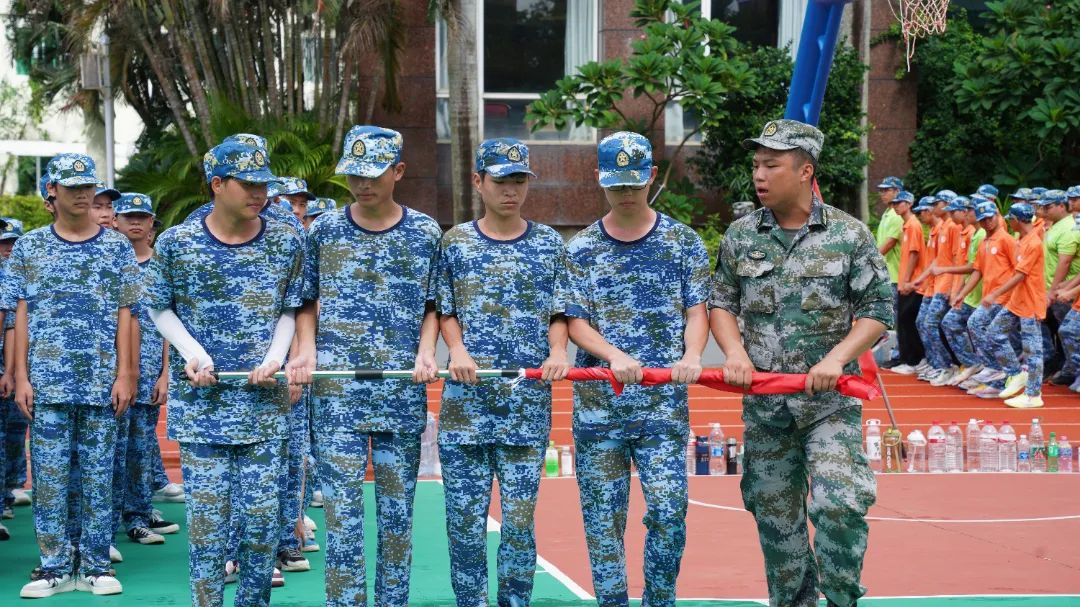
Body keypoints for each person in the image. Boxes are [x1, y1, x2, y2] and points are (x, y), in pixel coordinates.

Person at [710, 119, 892, 607]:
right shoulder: (741, 235)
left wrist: (837, 358)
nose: (759, 175)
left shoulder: (848, 235)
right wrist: (734, 352)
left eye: (771, 165)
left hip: (829, 406)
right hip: (767, 410)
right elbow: (721, 302)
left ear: (805, 170)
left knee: (839, 505)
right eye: (756, 165)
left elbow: (877, 309)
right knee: (775, 518)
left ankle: (841, 598)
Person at [146, 141, 304, 607]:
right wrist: (193, 353)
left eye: (263, 185)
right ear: (217, 184)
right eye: (247, 184)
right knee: (207, 527)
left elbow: (290, 307)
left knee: (261, 523)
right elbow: (159, 307)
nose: (259, 194)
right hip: (202, 407)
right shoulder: (177, 242)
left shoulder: (285, 240)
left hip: (263, 405)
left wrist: (276, 357)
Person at [293, 125, 441, 607]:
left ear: (398, 171)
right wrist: (306, 349)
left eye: (374, 174)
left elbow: (434, 305)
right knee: (343, 520)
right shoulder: (325, 230)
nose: (362, 184)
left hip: (401, 391)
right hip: (337, 395)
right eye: (354, 174)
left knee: (398, 520)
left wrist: (426, 351)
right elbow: (306, 299)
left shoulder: (424, 232)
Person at [561, 131, 710, 607]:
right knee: (603, 522)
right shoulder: (581, 248)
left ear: (651, 176)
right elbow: (575, 322)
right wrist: (613, 355)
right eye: (616, 184)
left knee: (669, 510)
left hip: (662, 409)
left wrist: (692, 355)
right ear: (600, 179)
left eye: (634, 182)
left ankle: (659, 601)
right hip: (599, 410)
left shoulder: (682, 242)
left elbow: (696, 311)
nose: (626, 192)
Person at [436, 138, 570, 607]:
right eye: (500, 181)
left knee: (517, 523)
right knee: (464, 525)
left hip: (525, 407)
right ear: (478, 182)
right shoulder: (455, 243)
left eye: (519, 181)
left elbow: (560, 312)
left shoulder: (549, 243)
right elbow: (445, 309)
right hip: (465, 409)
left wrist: (558, 350)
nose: (511, 191)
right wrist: (457, 349)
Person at [5, 153, 140, 598]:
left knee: (100, 476)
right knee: (49, 479)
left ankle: (97, 564)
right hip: (46, 382)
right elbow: (19, 315)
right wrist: (21, 376)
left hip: (102, 381)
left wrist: (126, 374)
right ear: (52, 191)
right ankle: (54, 566)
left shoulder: (116, 246)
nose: (83, 194)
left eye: (88, 186)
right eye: (73, 187)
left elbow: (128, 313)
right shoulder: (30, 247)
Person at [110, 193, 178, 545]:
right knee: (110, 452)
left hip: (150, 371)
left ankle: (138, 515)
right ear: (115, 222)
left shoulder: (161, 266)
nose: (135, 223)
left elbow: (170, 324)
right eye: (128, 217)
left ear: (152, 223)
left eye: (142, 217)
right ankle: (106, 523)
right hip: (112, 373)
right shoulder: (108, 261)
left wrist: (165, 373)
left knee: (140, 449)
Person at [955, 200, 1019, 399]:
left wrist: (1007, 294)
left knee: (977, 324)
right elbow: (978, 271)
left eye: (990, 218)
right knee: (983, 330)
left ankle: (999, 369)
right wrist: (962, 293)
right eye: (983, 220)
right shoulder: (985, 242)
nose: (987, 222)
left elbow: (1019, 270)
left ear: (997, 216)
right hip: (989, 297)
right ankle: (997, 378)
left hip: (1004, 297)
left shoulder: (1007, 240)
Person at [986, 202, 1046, 408]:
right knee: (994, 333)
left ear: (1018, 220)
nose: (1009, 222)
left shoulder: (1034, 243)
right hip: (1016, 300)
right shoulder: (1021, 239)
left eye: (1010, 219)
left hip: (1030, 302)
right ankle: (1016, 372)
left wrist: (996, 293)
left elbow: (1020, 274)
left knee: (1033, 350)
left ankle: (1033, 394)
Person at [940, 195, 987, 387]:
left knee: (981, 332)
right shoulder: (975, 234)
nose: (967, 213)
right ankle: (972, 364)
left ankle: (988, 374)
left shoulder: (981, 235)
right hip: (971, 294)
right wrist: (960, 292)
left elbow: (975, 269)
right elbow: (972, 268)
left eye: (970, 210)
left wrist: (945, 272)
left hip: (983, 295)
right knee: (950, 322)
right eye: (966, 210)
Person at [1036, 190, 1078, 386]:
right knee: (1060, 330)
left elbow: (1065, 262)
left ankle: (1071, 370)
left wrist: (1055, 290)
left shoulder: (1069, 227)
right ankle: (1064, 367)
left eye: (1048, 207)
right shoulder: (1055, 226)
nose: (1044, 211)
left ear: (1062, 206)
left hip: (1065, 289)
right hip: (1055, 287)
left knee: (1068, 331)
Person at [891, 192, 927, 375]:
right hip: (906, 281)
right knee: (904, 320)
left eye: (899, 203)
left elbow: (914, 253)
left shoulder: (913, 225)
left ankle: (914, 360)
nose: (895, 206)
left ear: (909, 204)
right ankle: (908, 359)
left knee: (908, 320)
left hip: (912, 282)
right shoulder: (907, 225)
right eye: (894, 203)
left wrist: (906, 280)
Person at [874, 177, 904, 367]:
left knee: (897, 317)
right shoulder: (887, 214)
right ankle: (896, 350)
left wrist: (868, 261)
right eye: (882, 190)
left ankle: (899, 354)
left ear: (897, 191)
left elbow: (890, 243)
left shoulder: (896, 216)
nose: (882, 194)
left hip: (896, 275)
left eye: (887, 190)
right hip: (887, 274)